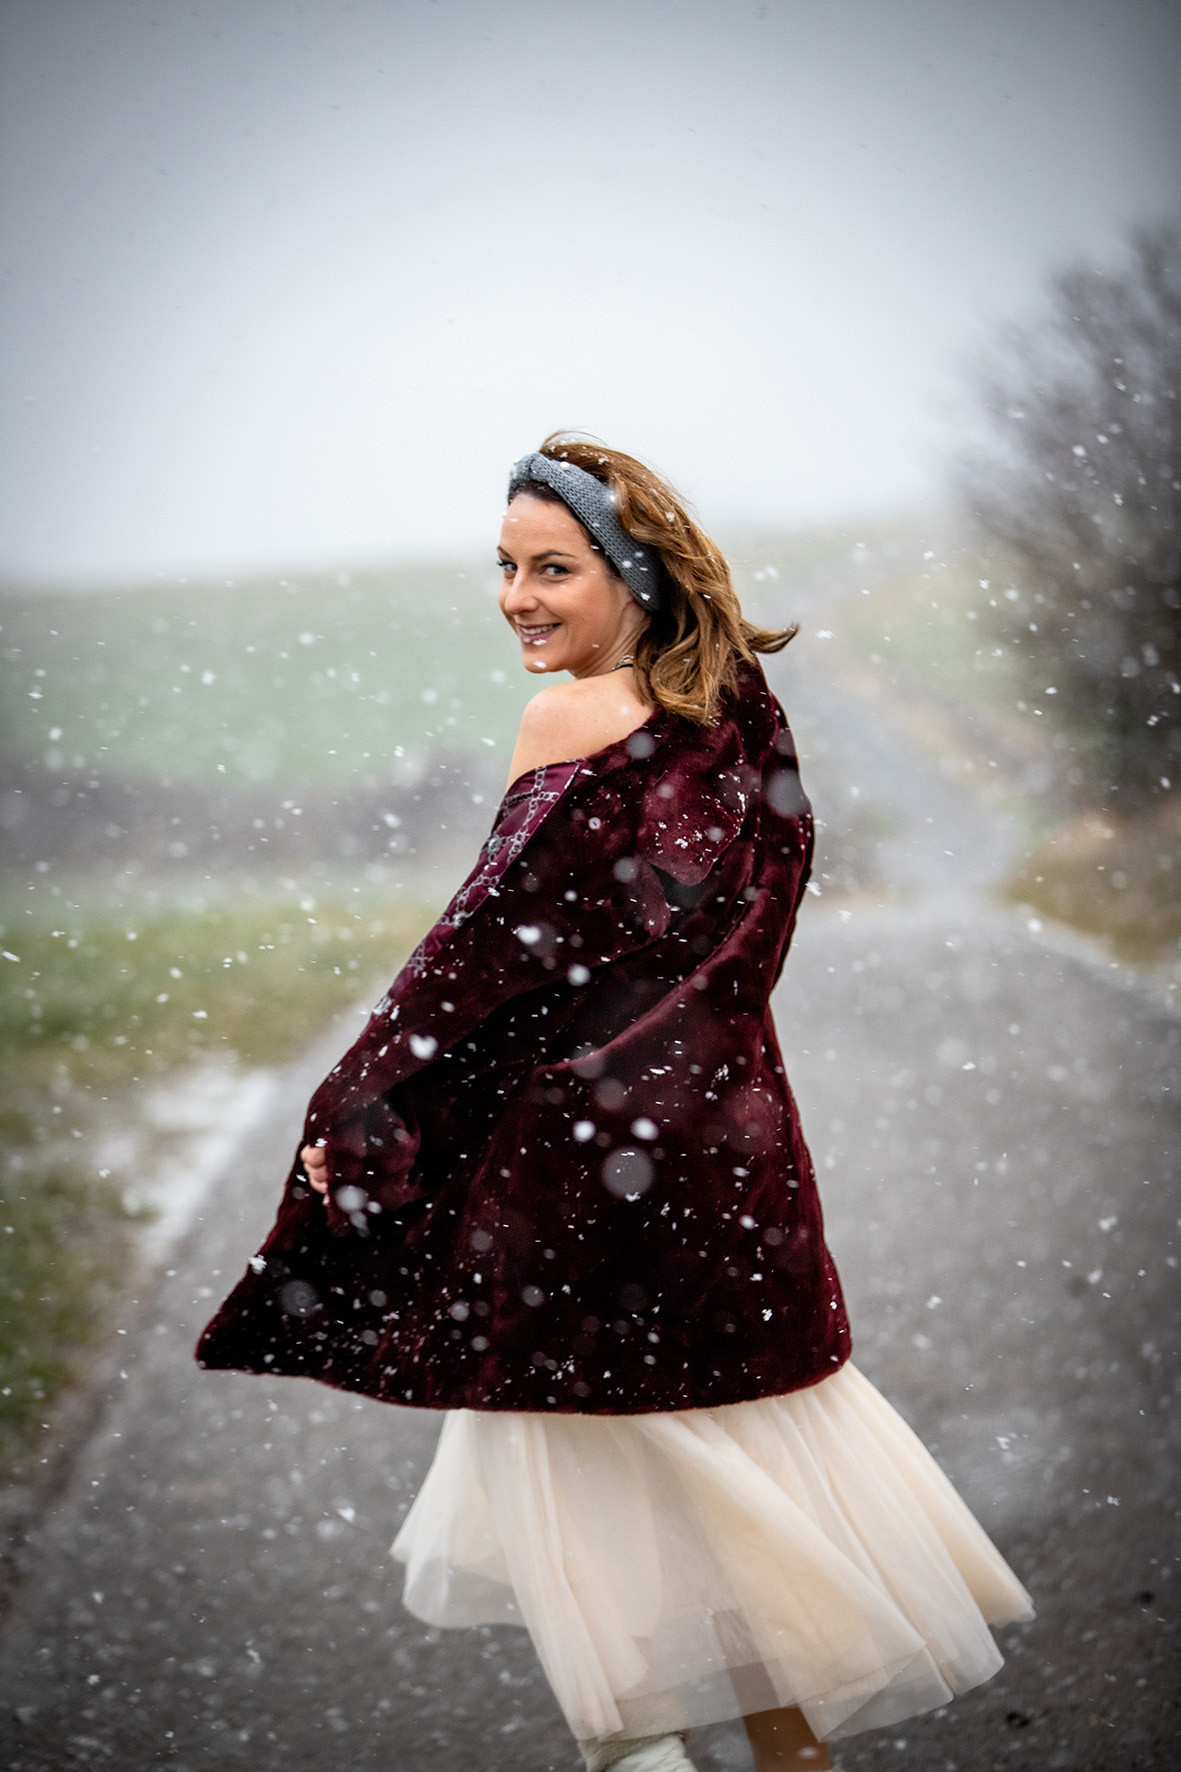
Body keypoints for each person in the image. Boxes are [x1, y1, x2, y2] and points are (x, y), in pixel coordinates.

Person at [197, 436, 1033, 1772]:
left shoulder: (570, 722)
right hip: (725, 1153)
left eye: (553, 569)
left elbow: (475, 960)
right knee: (746, 1502)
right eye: (504, 567)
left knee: (604, 1538)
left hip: (583, 1173)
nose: (516, 598)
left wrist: (355, 1106)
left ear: (634, 575)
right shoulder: (742, 713)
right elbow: (751, 925)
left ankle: (641, 1755)